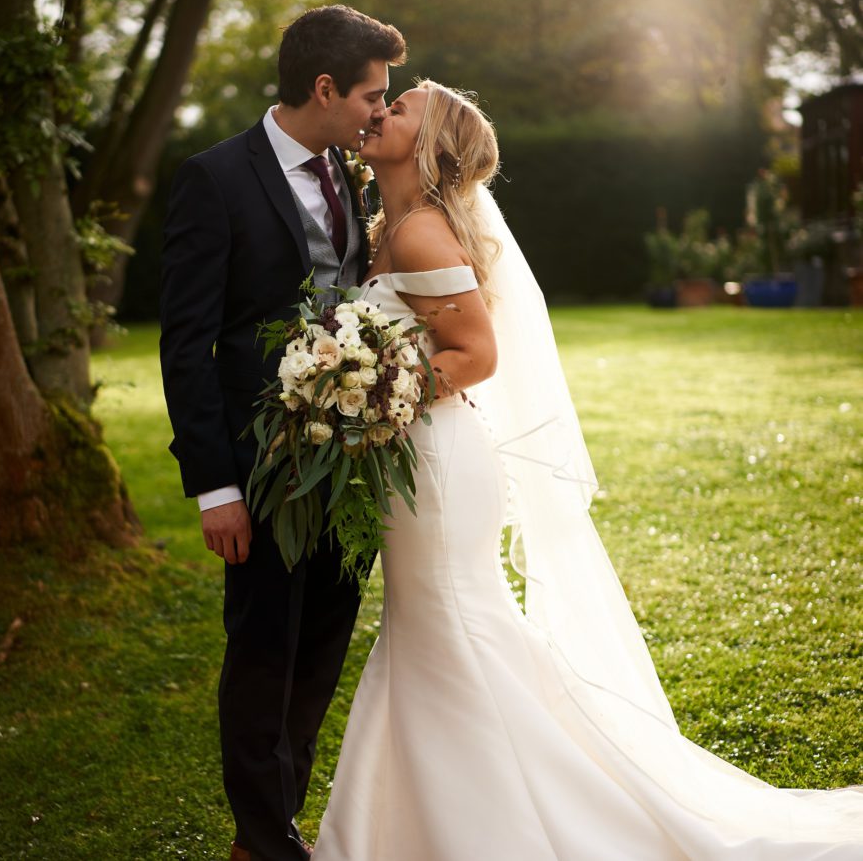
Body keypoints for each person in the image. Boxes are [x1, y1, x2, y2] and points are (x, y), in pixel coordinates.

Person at [309, 80, 863, 860]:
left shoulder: (422, 234)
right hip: (420, 457)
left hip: (433, 463)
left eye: (398, 108)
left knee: (453, 627)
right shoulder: (388, 227)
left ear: (428, 145)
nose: (380, 113)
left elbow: (477, 355)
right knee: (443, 628)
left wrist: (369, 403)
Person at [159, 5, 406, 861]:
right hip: (256, 467)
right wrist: (214, 486)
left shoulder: (351, 168)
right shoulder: (214, 178)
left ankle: (269, 827)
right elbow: (186, 343)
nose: (384, 108)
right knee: (265, 648)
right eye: (375, 93)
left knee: (322, 647)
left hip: (349, 456)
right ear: (325, 87)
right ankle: (267, 838)